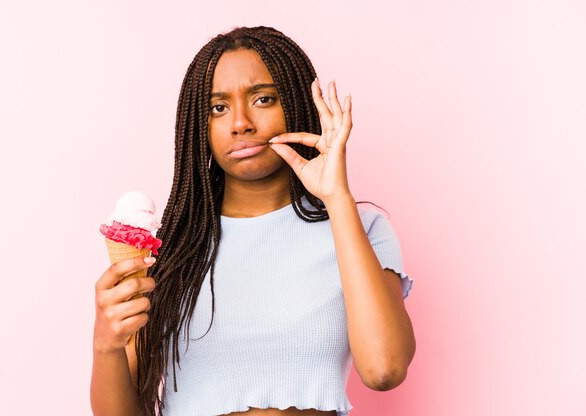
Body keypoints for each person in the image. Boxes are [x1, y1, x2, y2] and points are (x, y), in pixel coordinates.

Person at [91, 26, 415, 416]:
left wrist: (337, 198)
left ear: (295, 104)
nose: (240, 123)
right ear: (200, 127)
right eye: (218, 107)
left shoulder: (361, 229)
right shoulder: (168, 251)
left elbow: (384, 369)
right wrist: (106, 344)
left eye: (263, 99)